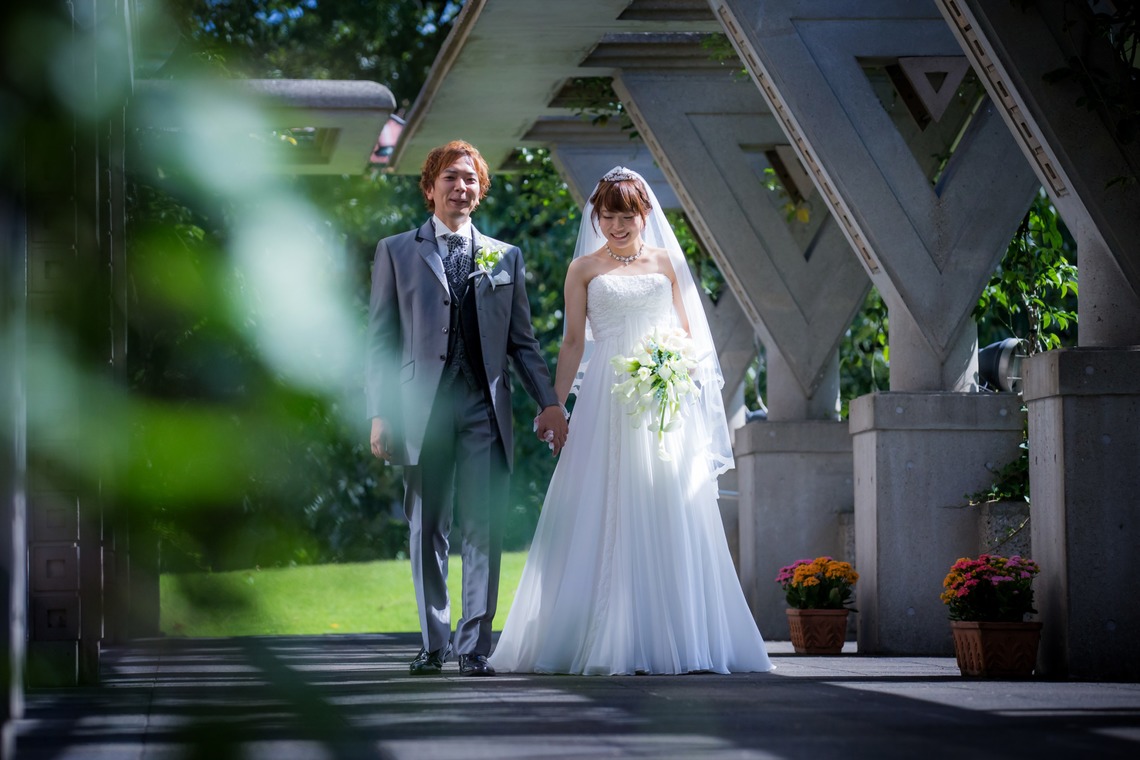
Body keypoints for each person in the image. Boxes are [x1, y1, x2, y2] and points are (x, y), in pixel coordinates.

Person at [488, 167, 774, 675]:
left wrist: (672, 370)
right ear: (596, 218)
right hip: (605, 394)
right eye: (608, 216)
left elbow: (690, 336)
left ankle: (676, 637)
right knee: (601, 504)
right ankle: (600, 634)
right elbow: (573, 342)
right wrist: (554, 405)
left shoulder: (667, 263)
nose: (617, 226)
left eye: (627, 216)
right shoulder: (582, 269)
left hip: (662, 400)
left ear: (645, 215)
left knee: (667, 504)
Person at [366, 140, 569, 677]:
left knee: (483, 527)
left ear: (481, 191)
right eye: (451, 178)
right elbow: (381, 341)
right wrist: (380, 413)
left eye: (471, 179)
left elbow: (522, 343)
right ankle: (433, 644)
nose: (461, 187)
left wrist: (549, 402)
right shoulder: (396, 251)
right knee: (426, 528)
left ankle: (473, 647)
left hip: (485, 408)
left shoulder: (505, 256)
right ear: (430, 188)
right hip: (421, 411)